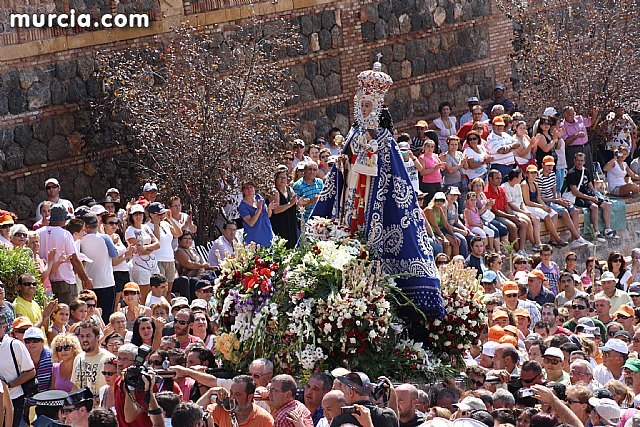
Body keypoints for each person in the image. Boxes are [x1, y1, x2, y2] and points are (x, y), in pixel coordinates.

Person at [312, 60, 443, 318]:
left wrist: (369, 158)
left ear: (377, 107)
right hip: (352, 191)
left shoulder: (385, 141)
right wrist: (344, 163)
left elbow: (394, 175)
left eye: (368, 105)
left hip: (376, 199)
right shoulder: (352, 134)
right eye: (361, 104)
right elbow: (345, 163)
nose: (364, 108)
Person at [38, 206, 93, 304]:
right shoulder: (65, 234)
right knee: (69, 313)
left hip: (46, 281)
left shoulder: (38, 233)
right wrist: (86, 279)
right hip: (65, 280)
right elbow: (74, 259)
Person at [536, 156, 589, 249]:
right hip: (546, 202)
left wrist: (560, 200)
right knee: (564, 212)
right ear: (542, 165)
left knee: (574, 210)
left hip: (553, 200)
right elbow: (540, 198)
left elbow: (554, 191)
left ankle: (575, 239)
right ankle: (578, 237)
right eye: (548, 165)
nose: (550, 168)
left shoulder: (552, 174)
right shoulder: (539, 177)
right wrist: (556, 201)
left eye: (551, 166)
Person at [564, 152, 616, 240]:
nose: (579, 163)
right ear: (574, 161)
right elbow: (575, 192)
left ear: (584, 161)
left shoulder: (586, 171)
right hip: (578, 197)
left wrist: (596, 195)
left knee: (606, 205)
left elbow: (590, 185)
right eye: (577, 161)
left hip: (588, 194)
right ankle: (596, 232)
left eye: (581, 161)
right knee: (594, 207)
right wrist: (590, 198)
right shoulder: (571, 173)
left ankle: (607, 229)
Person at [79, 212, 118, 324]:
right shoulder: (105, 237)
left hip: (90, 283)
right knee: (106, 316)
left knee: (90, 315)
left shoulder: (81, 240)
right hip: (106, 283)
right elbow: (114, 254)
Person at [0, 312, 36, 427]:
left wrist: (8, 385)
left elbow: (31, 372)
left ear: (4, 327)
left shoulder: (14, 345)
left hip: (14, 400)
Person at [198, 375, 274, 427]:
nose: (232, 398)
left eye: (238, 394)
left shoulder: (264, 419)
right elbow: (194, 415)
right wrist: (209, 393)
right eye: (231, 393)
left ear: (250, 397)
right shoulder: (224, 409)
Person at [485, 170, 528, 256]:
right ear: (490, 179)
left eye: (500, 178)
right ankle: (515, 250)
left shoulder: (501, 189)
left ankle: (521, 249)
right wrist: (510, 216)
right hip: (494, 216)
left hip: (504, 213)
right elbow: (495, 211)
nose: (499, 180)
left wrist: (513, 215)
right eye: (497, 178)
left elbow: (506, 206)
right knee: (512, 227)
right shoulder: (487, 191)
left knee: (523, 223)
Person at [522, 165, 567, 248]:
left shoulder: (535, 184)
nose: (534, 174)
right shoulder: (524, 184)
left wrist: (544, 206)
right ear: (527, 174)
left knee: (554, 214)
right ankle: (557, 238)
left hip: (536, 205)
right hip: (528, 207)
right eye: (531, 172)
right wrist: (542, 207)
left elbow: (539, 198)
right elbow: (527, 202)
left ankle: (552, 239)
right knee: (546, 216)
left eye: (535, 172)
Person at [71, 321, 116, 402]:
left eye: (88, 336)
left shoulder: (109, 359)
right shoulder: (78, 358)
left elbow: (114, 389)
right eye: (82, 336)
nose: (84, 339)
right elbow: (75, 386)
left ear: (97, 337)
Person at [125, 203, 160, 302]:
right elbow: (139, 250)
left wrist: (146, 247)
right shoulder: (130, 230)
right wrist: (149, 248)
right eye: (135, 214)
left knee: (156, 291)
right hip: (140, 265)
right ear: (131, 216)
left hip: (152, 263)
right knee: (143, 294)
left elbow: (157, 244)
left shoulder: (146, 227)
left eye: (140, 214)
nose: (138, 216)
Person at [147, 202, 182, 298]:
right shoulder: (147, 226)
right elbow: (157, 240)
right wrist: (156, 224)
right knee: (159, 289)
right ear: (152, 214)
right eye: (159, 214)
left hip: (170, 259)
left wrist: (170, 219)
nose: (162, 216)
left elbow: (178, 233)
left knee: (168, 289)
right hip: (158, 259)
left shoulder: (165, 224)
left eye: (163, 214)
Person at [269, 168, 300, 249]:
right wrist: (290, 204)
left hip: (291, 223)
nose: (282, 180)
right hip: (280, 224)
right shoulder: (274, 192)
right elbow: (276, 210)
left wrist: (300, 203)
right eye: (280, 177)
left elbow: (295, 207)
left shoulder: (290, 189)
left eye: (284, 178)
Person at [239, 181, 276, 247]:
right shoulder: (242, 206)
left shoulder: (259, 197)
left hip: (267, 235)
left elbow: (268, 215)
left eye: (251, 187)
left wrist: (269, 209)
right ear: (243, 191)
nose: (249, 189)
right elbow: (251, 223)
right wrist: (259, 210)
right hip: (254, 239)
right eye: (246, 188)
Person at [419, 139, 445, 203]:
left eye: (432, 147)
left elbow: (441, 167)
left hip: (438, 181)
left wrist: (442, 163)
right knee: (431, 201)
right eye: (428, 146)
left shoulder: (435, 155)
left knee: (439, 200)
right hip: (429, 183)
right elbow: (422, 172)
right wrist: (434, 169)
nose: (430, 149)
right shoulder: (422, 158)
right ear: (424, 147)